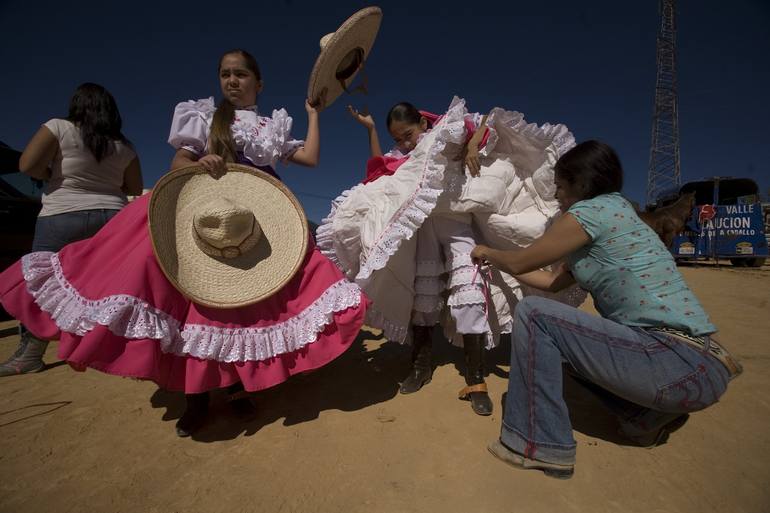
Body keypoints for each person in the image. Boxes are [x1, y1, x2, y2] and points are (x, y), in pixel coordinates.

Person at [0, 49, 368, 437]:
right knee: (192, 306)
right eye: (225, 74)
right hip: (204, 213)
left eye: (240, 74)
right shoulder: (205, 117)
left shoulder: (269, 125)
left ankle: (237, 388)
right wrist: (198, 164)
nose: (231, 80)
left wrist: (312, 114)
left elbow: (309, 157)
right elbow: (178, 163)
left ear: (258, 83)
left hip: (255, 219)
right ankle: (196, 396)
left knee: (245, 306)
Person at [470, 140, 741, 479]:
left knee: (534, 314)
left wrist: (487, 250)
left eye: (560, 186)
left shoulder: (589, 213)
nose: (556, 195)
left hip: (675, 360)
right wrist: (498, 266)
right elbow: (551, 282)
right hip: (702, 370)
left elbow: (525, 260)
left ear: (581, 185)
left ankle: (539, 444)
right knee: (560, 355)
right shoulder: (622, 218)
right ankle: (644, 417)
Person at [318, 97, 583, 415]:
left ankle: (475, 377)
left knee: (470, 290)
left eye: (408, 134)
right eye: (398, 139)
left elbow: (487, 118)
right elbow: (380, 169)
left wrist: (472, 145)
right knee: (423, 294)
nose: (404, 142)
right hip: (426, 229)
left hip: (459, 225)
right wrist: (372, 130)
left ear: (423, 124)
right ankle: (420, 365)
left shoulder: (448, 129)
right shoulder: (408, 157)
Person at [0, 83, 143, 377]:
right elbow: (133, 187)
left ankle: (29, 355)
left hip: (62, 213)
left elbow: (27, 165)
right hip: (111, 219)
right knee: (106, 289)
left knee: (42, 286)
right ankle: (110, 353)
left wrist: (50, 174)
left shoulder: (58, 127)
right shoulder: (124, 146)